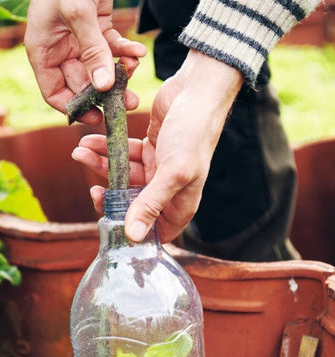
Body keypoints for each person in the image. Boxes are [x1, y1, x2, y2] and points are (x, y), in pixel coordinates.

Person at [24, 0, 321, 261]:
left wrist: (212, 70)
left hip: (228, 73)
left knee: (246, 237)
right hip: (186, 44)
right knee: (199, 217)